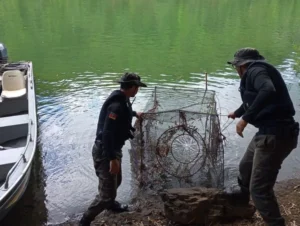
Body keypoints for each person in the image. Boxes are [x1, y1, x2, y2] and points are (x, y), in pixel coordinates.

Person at [227, 47, 299, 226]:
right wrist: (237, 112)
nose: (236, 70)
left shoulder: (256, 71)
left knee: (259, 189)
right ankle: (242, 204)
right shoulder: (256, 71)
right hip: (266, 133)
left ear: (242, 65)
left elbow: (267, 90)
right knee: (245, 167)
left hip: (276, 135)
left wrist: (245, 119)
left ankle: (276, 223)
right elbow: (254, 98)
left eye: (236, 66)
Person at [79, 72, 147, 226]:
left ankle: (111, 205)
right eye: (137, 87)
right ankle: (85, 220)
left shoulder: (123, 99)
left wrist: (135, 113)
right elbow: (107, 134)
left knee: (117, 181)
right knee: (106, 194)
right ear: (132, 88)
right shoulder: (116, 105)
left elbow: (125, 113)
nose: (138, 90)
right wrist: (112, 159)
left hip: (113, 149)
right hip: (106, 151)